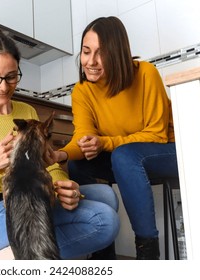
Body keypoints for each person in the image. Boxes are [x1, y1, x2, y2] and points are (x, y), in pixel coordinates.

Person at [0, 25, 120, 260]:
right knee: (104, 221)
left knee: (106, 195)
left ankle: (25, 258)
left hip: (34, 196)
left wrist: (63, 185)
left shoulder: (26, 111)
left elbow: (48, 164)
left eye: (11, 76)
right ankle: (19, 257)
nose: (3, 86)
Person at [53, 16, 178, 260]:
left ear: (118, 53)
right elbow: (84, 136)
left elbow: (156, 134)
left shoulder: (145, 74)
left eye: (100, 53)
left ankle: (148, 254)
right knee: (79, 164)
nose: (90, 61)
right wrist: (62, 154)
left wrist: (105, 143)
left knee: (123, 154)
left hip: (168, 152)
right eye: (86, 52)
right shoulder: (82, 90)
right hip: (127, 161)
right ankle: (102, 249)